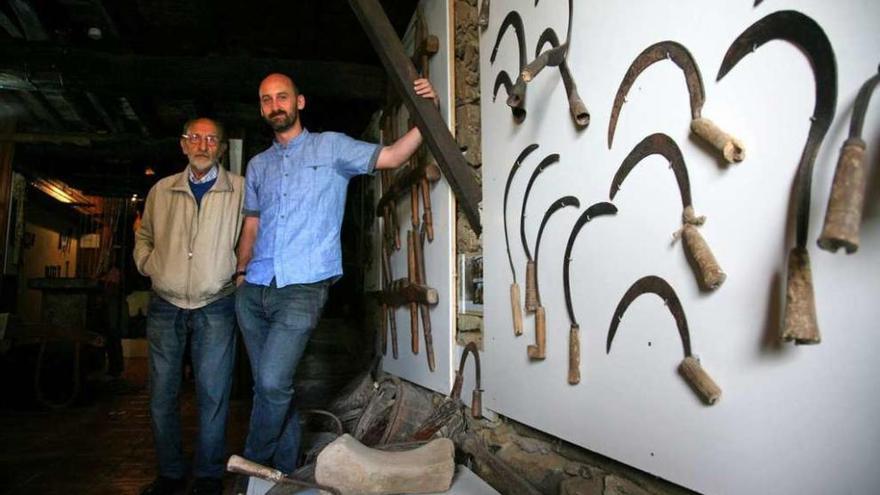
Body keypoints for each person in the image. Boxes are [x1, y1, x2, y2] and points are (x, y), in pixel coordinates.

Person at [234, 73, 437, 476]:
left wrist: (428, 111)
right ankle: (286, 474)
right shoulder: (258, 166)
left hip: (302, 288)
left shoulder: (331, 146)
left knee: (272, 385)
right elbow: (252, 225)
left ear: (300, 102)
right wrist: (239, 274)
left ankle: (249, 468)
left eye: (283, 97)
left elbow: (394, 156)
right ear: (262, 108)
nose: (275, 105)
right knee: (273, 389)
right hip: (253, 288)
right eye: (267, 100)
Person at [133, 117, 244, 495]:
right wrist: (149, 265)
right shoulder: (161, 191)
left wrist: (237, 271)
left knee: (213, 392)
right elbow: (144, 235)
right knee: (163, 393)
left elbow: (254, 236)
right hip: (165, 303)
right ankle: (170, 473)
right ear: (183, 145)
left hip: (216, 303)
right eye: (194, 137)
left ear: (222, 148)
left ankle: (210, 476)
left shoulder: (241, 190)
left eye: (211, 139)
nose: (202, 144)